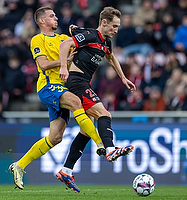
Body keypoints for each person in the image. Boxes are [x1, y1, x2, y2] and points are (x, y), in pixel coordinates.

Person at [8, 6, 106, 191]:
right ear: (42, 21)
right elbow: (43, 64)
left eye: (55, 15)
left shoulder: (63, 39)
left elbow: (88, 43)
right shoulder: (38, 39)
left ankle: (19, 165)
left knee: (55, 137)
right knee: (77, 103)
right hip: (48, 87)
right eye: (52, 16)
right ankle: (100, 142)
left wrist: (79, 31)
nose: (56, 18)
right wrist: (64, 62)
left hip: (63, 88)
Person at [58, 6, 136, 192]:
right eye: (114, 26)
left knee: (86, 130)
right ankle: (110, 149)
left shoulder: (105, 42)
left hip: (84, 83)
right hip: (76, 82)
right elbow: (64, 45)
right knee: (104, 113)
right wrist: (63, 66)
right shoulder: (91, 35)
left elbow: (111, 58)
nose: (116, 30)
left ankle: (66, 170)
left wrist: (123, 78)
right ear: (104, 22)